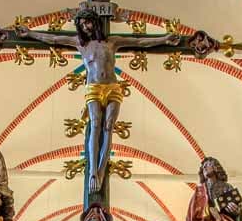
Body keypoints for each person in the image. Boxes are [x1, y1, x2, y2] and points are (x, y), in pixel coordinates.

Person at [17, 11, 179, 194]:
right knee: (95, 125)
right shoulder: (80, 43)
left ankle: (101, 171)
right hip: (94, 88)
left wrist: (165, 39)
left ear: (95, 22)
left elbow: (139, 42)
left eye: (88, 23)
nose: (86, 27)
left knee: (108, 126)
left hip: (112, 87)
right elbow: (53, 39)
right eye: (82, 24)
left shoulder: (112, 42)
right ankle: (93, 171)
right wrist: (30, 33)